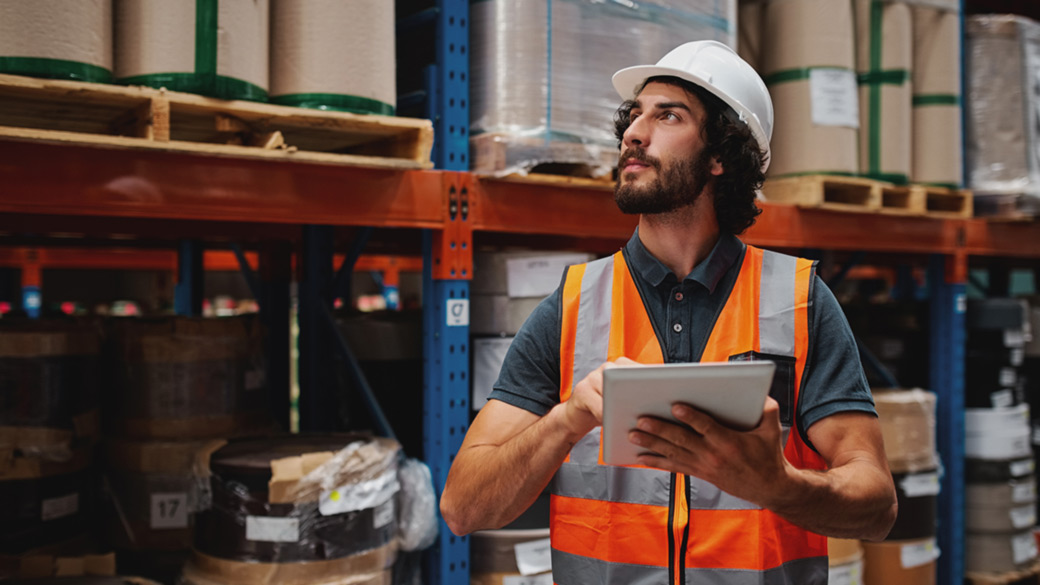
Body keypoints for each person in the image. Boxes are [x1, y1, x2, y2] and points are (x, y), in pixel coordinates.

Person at [441, 41, 897, 584]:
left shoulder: (798, 300)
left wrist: (778, 486)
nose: (634, 133)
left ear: (721, 155)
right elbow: (462, 508)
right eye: (634, 116)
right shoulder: (572, 305)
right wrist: (566, 420)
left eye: (668, 116)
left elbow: (878, 508)